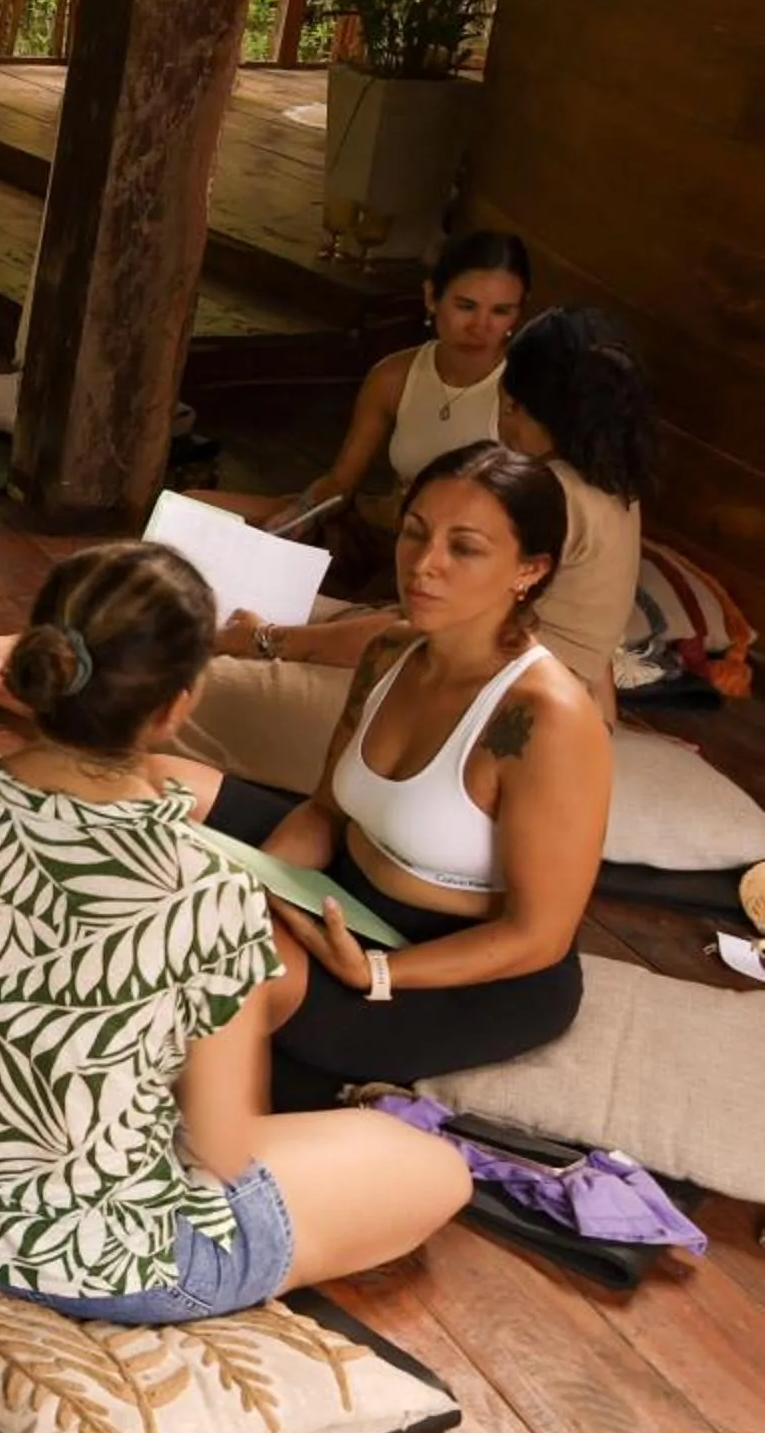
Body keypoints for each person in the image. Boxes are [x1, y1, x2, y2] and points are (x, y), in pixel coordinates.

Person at [0, 542, 469, 1322]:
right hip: (105, 1258)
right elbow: (222, 1150)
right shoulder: (208, 889)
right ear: (177, 704)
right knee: (434, 1169)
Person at [0, 307, 655, 794]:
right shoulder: (607, 486)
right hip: (469, 669)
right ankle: (3, 653)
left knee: (184, 671)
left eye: (510, 402)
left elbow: (411, 642)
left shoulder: (548, 501)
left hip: (459, 714)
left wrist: (273, 642)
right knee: (204, 602)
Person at [207, 443, 612, 1091]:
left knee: (220, 970)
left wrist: (380, 975)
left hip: (462, 970)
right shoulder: (389, 651)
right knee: (153, 794)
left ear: (529, 570)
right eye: (415, 534)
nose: (424, 565)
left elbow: (538, 936)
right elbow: (323, 813)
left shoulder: (548, 719)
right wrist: (262, 890)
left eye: (465, 548)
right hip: (347, 892)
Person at [201, 230, 531, 532]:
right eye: (466, 306)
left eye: (501, 311)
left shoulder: (520, 392)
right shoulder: (395, 376)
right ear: (432, 297)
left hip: (451, 552)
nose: (480, 326)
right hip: (381, 526)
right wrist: (302, 512)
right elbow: (341, 482)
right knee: (196, 504)